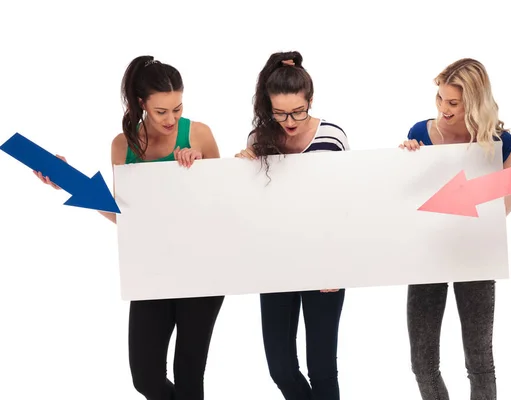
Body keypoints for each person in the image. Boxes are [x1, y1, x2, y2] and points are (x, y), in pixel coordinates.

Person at [33, 55, 224, 400]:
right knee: (146, 379)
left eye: (178, 108)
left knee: (189, 377)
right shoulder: (123, 145)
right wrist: (67, 181)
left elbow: (226, 200)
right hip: (151, 268)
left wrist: (199, 165)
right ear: (141, 104)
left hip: (201, 267)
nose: (172, 119)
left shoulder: (199, 133)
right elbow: (125, 217)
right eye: (161, 111)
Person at [399, 58, 511, 400]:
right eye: (439, 99)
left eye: (453, 103)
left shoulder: (500, 142)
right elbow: (407, 200)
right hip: (427, 255)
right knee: (422, 363)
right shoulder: (420, 133)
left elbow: (500, 212)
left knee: (480, 362)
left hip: (475, 255)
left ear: (474, 102)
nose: (443, 109)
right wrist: (404, 159)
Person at [235, 51, 348, 400]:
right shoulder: (260, 139)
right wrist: (241, 169)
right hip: (276, 263)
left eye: (298, 111)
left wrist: (337, 264)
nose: (290, 120)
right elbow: (251, 207)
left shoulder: (332, 137)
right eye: (280, 113)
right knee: (280, 367)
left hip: (322, 263)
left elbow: (347, 206)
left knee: (322, 368)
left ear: (310, 101)